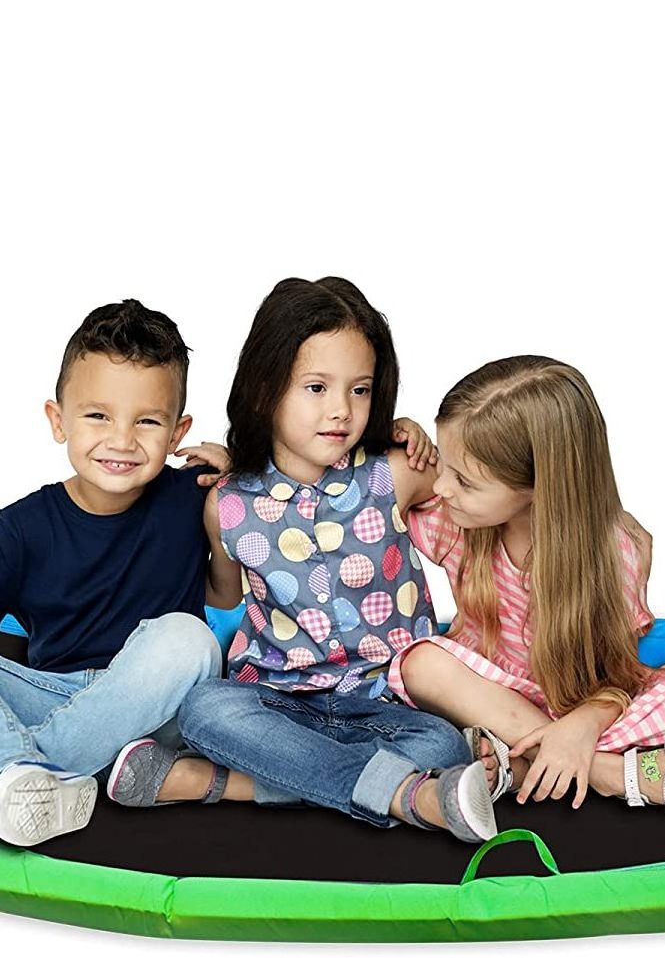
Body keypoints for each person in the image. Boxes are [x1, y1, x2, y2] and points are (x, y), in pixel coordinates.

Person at [105, 277, 500, 843]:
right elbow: (223, 597)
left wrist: (420, 437)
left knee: (441, 744)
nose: (341, 410)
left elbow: (475, 501)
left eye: (360, 390)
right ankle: (403, 793)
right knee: (204, 709)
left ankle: (232, 784)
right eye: (316, 387)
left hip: (386, 705)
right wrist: (201, 491)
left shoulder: (396, 473)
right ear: (264, 390)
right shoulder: (228, 503)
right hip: (277, 703)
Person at [0, 299, 241, 846]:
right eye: (98, 416)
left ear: (177, 432)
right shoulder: (25, 527)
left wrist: (236, 500)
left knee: (189, 638)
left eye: (147, 421)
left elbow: (226, 595)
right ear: (58, 420)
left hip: (158, 712)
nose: (121, 440)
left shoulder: (193, 494)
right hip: (57, 697)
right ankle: (19, 779)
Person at [392, 355, 665, 815]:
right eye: (444, 465)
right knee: (421, 664)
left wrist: (582, 726)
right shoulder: (455, 523)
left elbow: (616, 675)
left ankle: (526, 764)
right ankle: (614, 774)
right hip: (490, 696)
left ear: (539, 487)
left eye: (464, 481)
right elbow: (378, 474)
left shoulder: (616, 554)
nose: (442, 488)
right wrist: (395, 433)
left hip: (584, 707)